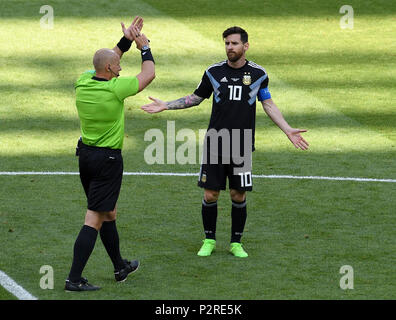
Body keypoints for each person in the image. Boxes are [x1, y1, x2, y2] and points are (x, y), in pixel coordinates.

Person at [141, 26, 309, 258]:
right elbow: (196, 98)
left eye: (234, 43)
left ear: (245, 46)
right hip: (215, 143)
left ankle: (236, 242)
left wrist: (287, 129)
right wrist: (166, 104)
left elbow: (268, 104)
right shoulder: (213, 72)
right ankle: (209, 239)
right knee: (210, 194)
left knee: (238, 194)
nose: (230, 47)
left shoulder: (259, 74)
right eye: (227, 43)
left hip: (242, 144)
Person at [65, 16, 155, 291]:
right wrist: (144, 46)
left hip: (87, 157)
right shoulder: (115, 89)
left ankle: (120, 267)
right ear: (108, 69)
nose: (120, 66)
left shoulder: (83, 81)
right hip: (107, 161)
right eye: (117, 66)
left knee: (108, 212)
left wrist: (125, 39)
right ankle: (74, 279)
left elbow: (108, 57)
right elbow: (148, 74)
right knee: (94, 217)